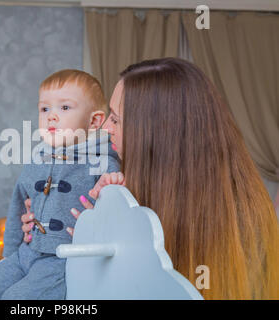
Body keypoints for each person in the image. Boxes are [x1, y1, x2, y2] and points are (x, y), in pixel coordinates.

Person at [22, 58, 279, 300]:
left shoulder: (239, 220)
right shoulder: (121, 183)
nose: (106, 128)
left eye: (116, 119)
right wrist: (59, 237)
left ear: (155, 133)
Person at [0, 69, 120, 300]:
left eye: (64, 107)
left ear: (93, 121)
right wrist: (8, 255)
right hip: (26, 253)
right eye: (45, 108)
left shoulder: (103, 163)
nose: (51, 116)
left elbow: (117, 214)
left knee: (17, 299)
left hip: (62, 258)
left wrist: (115, 183)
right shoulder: (37, 159)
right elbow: (18, 207)